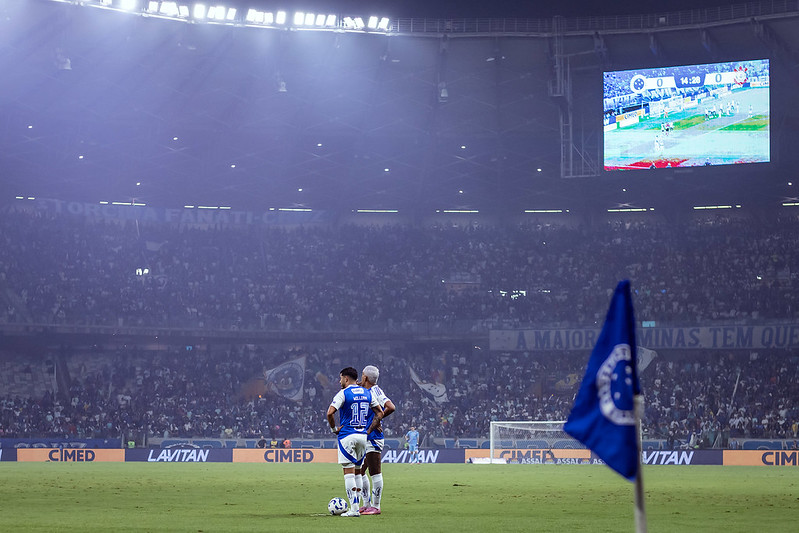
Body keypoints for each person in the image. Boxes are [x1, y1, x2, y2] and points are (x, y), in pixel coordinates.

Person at [327, 367, 383, 517]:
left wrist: (334, 429)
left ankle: (353, 509)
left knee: (348, 473)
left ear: (346, 379)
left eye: (340, 379)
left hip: (347, 435)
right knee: (358, 472)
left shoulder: (343, 393)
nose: (339, 381)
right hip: (363, 436)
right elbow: (380, 412)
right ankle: (358, 507)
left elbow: (330, 413)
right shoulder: (367, 393)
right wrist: (371, 426)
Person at [356, 365, 396, 516]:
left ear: (365, 377)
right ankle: (366, 504)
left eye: (362, 375)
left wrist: (378, 419)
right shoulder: (369, 390)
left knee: (374, 471)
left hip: (373, 437)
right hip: (366, 435)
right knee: (359, 472)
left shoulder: (374, 391)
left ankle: (376, 506)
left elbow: (391, 407)